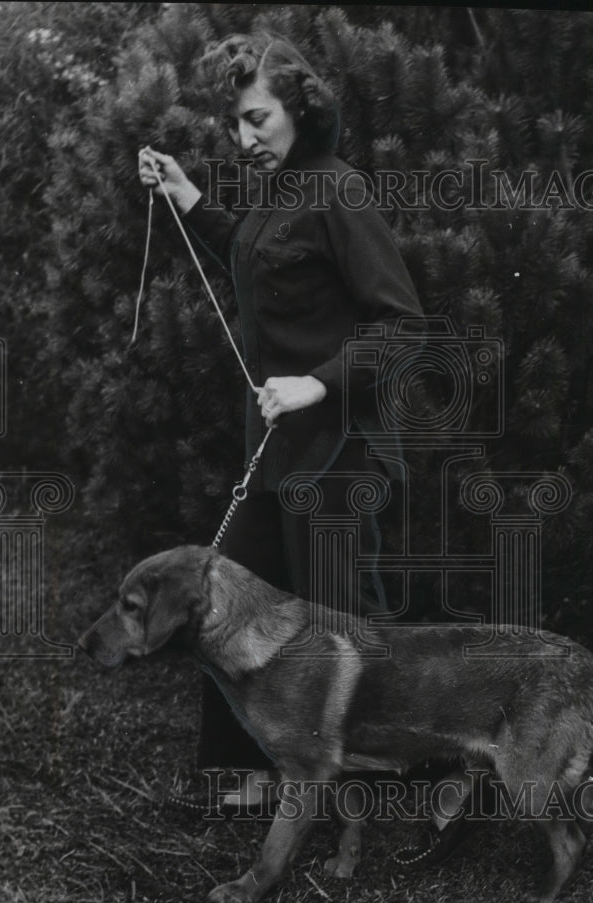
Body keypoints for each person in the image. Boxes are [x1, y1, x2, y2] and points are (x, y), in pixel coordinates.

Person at [138, 31, 424, 812]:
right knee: (227, 605)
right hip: (272, 452)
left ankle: (387, 785)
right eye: (234, 125)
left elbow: (404, 326)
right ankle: (252, 769)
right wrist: (186, 194)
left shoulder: (339, 192)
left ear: (300, 106)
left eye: (257, 118)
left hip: (337, 454)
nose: (244, 138)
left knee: (340, 630)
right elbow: (253, 253)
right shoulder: (279, 191)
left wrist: (320, 384)